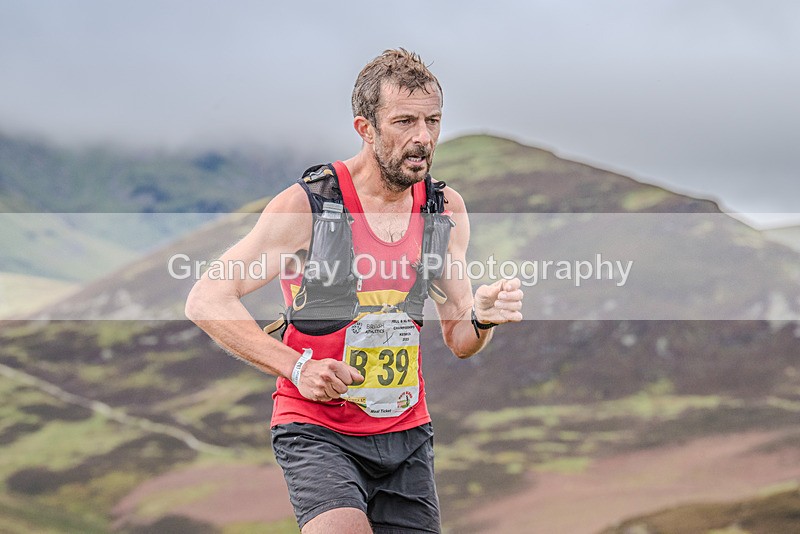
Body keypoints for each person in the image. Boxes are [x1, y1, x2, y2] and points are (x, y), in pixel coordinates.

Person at [185, 48, 524, 534]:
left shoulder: (442, 209)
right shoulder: (311, 205)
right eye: (404, 121)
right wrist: (297, 367)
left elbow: (459, 339)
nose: (423, 138)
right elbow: (207, 299)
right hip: (317, 429)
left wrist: (482, 317)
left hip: (406, 436)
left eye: (433, 121)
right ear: (365, 128)